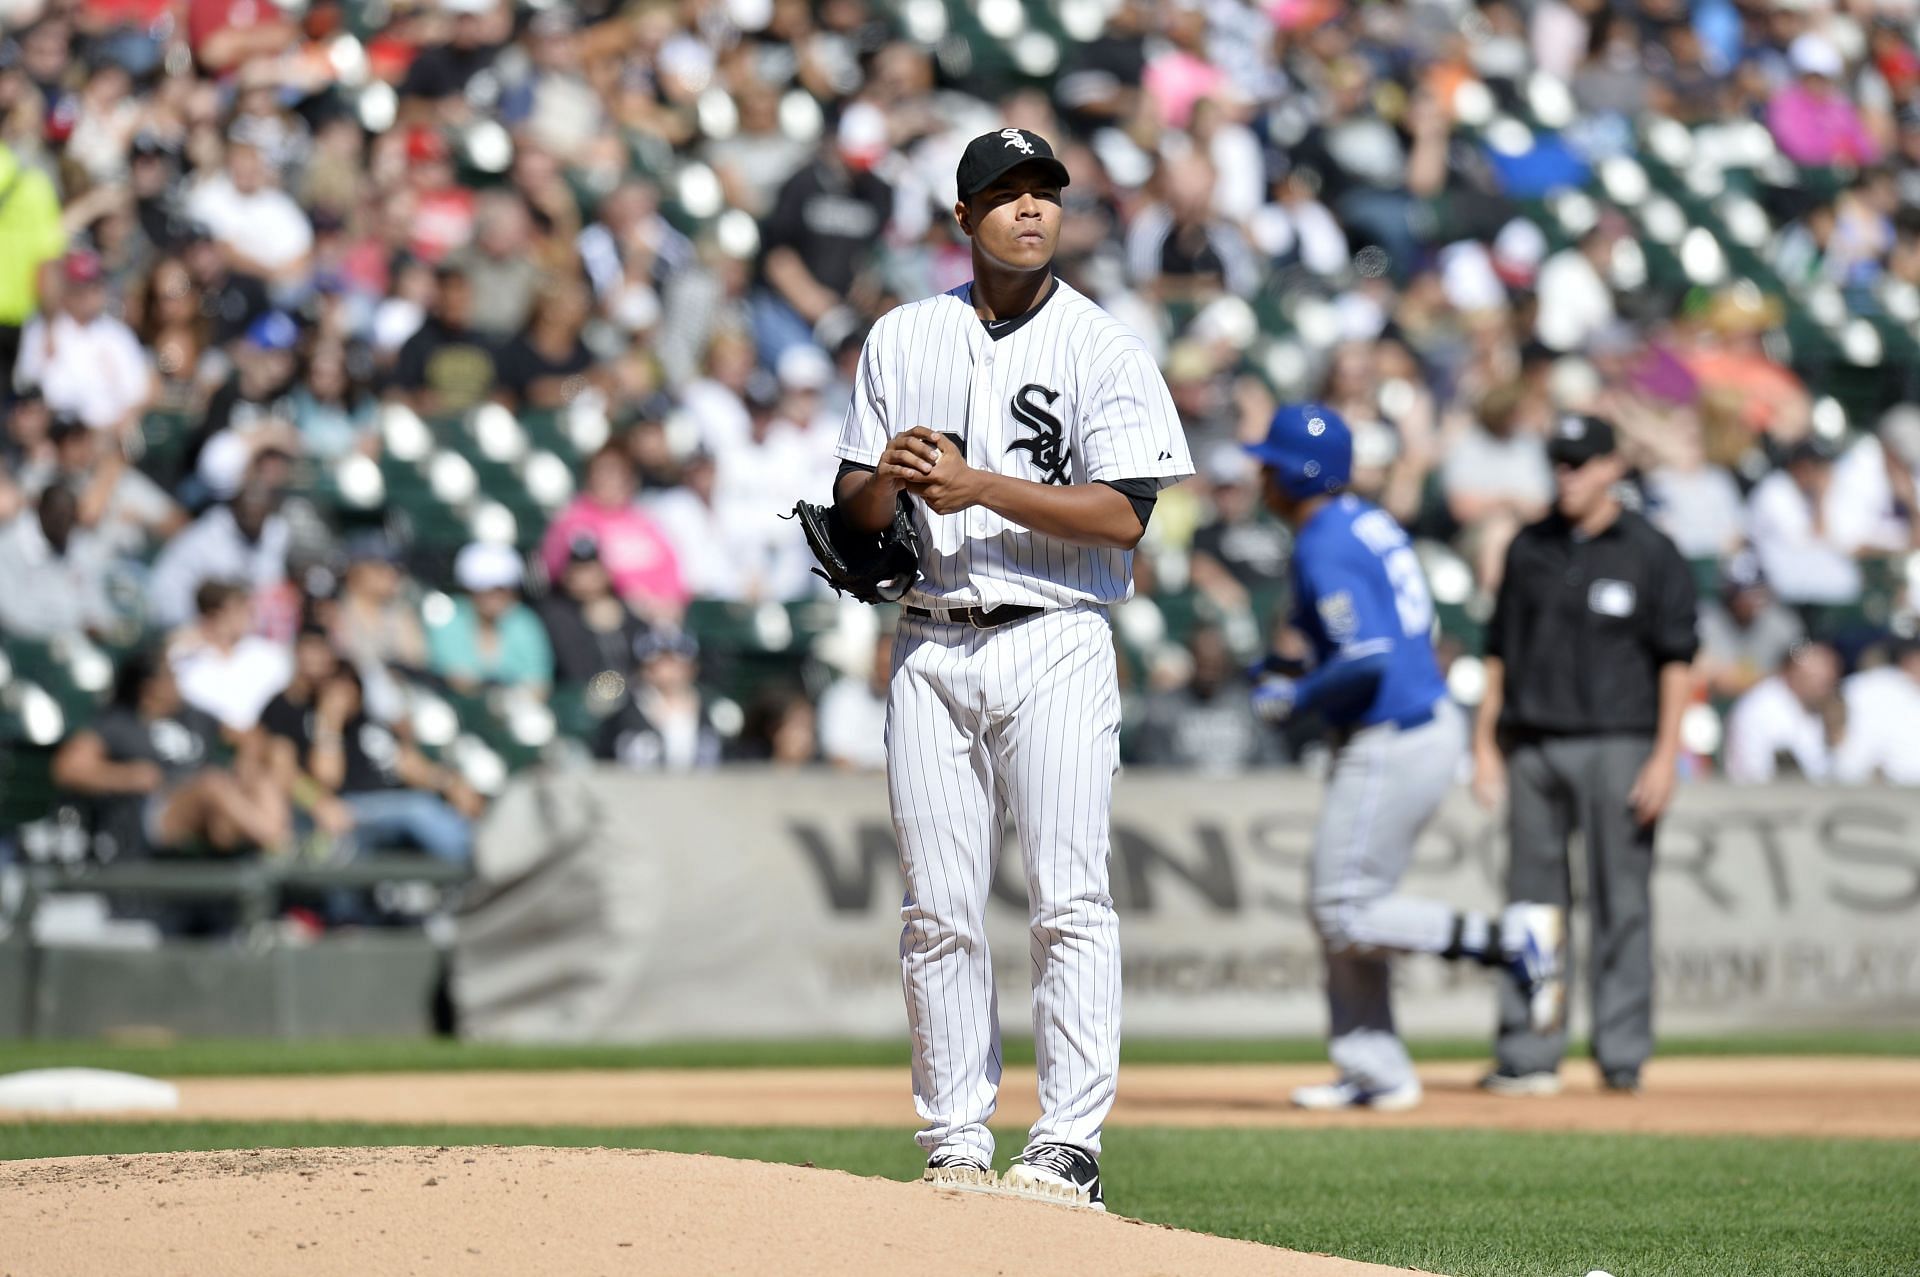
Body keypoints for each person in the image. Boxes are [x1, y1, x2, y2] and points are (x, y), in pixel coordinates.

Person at [831, 128, 1193, 1208]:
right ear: (963, 217)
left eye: (1046, 192)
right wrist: (883, 483)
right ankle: (952, 1134)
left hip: (1055, 633)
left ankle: (1068, 1139)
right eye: (1007, 193)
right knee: (936, 905)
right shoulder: (902, 338)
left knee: (1067, 896)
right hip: (930, 636)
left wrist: (979, 486)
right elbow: (851, 505)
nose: (1031, 209)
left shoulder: (1103, 345)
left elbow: (1125, 515)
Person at [1242, 403, 1563, 1112]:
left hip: (1396, 729)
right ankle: (1374, 1067)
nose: (1260, 473)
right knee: (1347, 906)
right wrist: (1289, 668)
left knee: (1342, 907)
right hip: (1414, 721)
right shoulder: (1361, 518)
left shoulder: (1322, 538)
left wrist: (1293, 699)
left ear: (1299, 472)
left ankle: (1508, 939)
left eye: (1270, 462)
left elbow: (1366, 654)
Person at [1472, 414, 1698, 1097]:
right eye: (1559, 461)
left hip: (1620, 741)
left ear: (1611, 467)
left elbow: (1678, 662)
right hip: (1536, 742)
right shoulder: (1529, 547)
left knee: (1620, 900)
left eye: (1579, 462)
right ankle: (1529, 1051)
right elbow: (1498, 653)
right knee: (1533, 908)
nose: (1566, 474)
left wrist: (1666, 756)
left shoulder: (1651, 549)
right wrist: (1484, 743)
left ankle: (1622, 1052)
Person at [51, 648, 289, 863]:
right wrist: (124, 776)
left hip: (207, 810)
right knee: (212, 784)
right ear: (149, 686)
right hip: (149, 814)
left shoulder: (193, 716)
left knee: (258, 781)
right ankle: (282, 847)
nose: (177, 683)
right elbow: (68, 768)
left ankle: (275, 848)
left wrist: (246, 761)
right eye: (171, 676)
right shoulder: (119, 723)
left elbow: (252, 737)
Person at [261, 634, 480, 866]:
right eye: (337, 684)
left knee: (435, 803)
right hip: (352, 807)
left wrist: (448, 783)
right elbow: (326, 778)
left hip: (393, 799)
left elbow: (407, 764)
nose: (345, 692)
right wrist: (330, 718)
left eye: (351, 682)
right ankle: (474, 864)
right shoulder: (306, 719)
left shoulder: (368, 723)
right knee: (419, 809)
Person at [1130, 624, 1281, 773]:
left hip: (1244, 793)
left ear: (1225, 662)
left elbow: (1272, 761)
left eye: (1214, 664)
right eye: (1204, 663)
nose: (1209, 672)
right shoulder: (1162, 709)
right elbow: (1151, 768)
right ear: (1192, 659)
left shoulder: (1250, 706)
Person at [167, 579, 292, 732]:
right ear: (214, 615)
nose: (248, 616)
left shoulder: (269, 653)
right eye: (239, 609)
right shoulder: (184, 656)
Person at [427, 541, 553, 692]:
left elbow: (539, 683)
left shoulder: (525, 623)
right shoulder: (448, 618)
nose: (494, 597)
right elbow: (453, 676)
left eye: (502, 589)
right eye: (486, 588)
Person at [592, 628, 724, 770]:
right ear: (644, 669)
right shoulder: (626, 713)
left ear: (692, 668)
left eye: (676, 662)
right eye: (660, 663)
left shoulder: (712, 709)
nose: (669, 671)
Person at [1722, 641, 1844, 784]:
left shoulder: (1828, 707)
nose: (1822, 689)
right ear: (1791, 672)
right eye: (1813, 679)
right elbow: (1752, 774)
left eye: (1827, 683)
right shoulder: (1759, 708)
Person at [537, 531, 649, 685]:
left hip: (631, 693)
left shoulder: (628, 610)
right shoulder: (555, 615)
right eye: (578, 571)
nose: (585, 579)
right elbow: (574, 670)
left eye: (590, 570)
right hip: (585, 696)